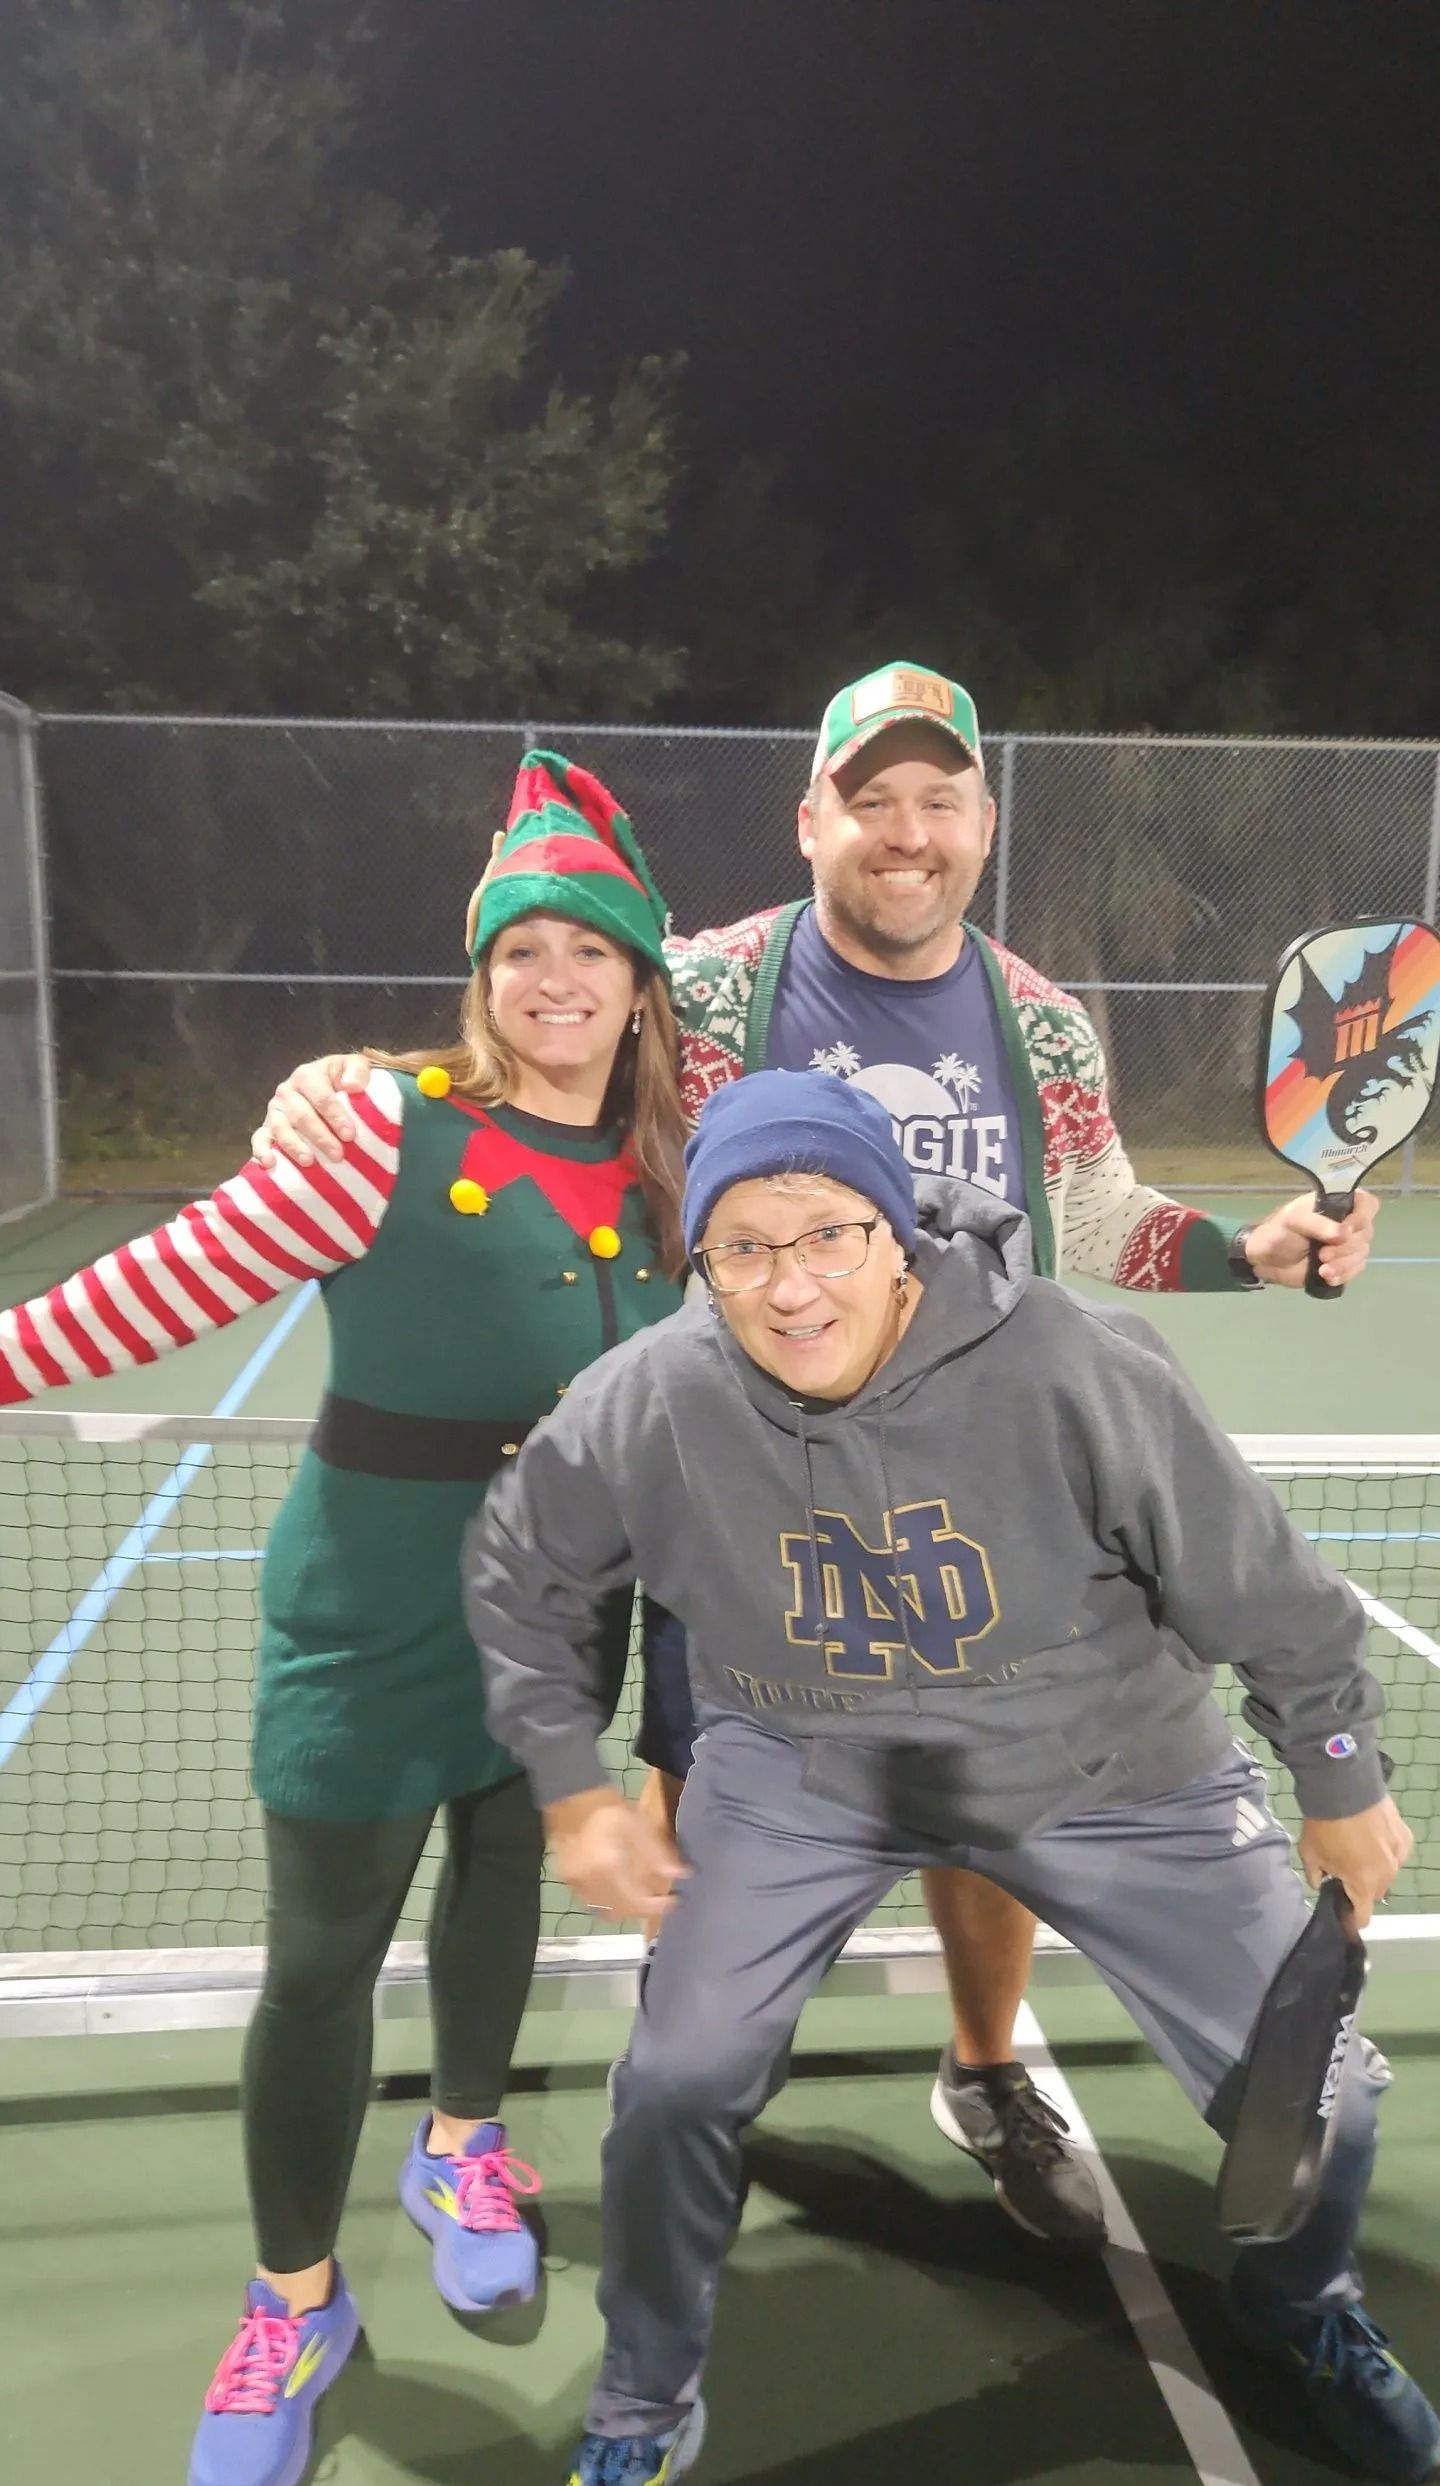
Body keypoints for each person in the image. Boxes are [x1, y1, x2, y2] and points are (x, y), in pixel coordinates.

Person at [249, 661, 1380, 2250]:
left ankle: (983, 2072)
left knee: (985, 1811)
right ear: (812, 820)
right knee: (706, 1794)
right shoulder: (704, 988)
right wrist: (362, 1088)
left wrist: (1242, 1257)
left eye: (938, 801)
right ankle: (700, 2090)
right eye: (872, 799)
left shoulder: (1039, 1021)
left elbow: (1104, 1218)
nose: (905, 833)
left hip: (985, 1507)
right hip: (738, 1498)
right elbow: (548, 1044)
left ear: (983, 822)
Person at [466, 1069, 1434, 2486]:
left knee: (1333, 2097)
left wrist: (1341, 1773)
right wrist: (571, 1782)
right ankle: (641, 2418)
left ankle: (1303, 2307)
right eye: (743, 1248)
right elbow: (522, 1583)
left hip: (1107, 1760)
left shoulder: (1072, 1362)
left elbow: (1263, 1583)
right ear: (699, 1262)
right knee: (671, 2088)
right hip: (800, 1768)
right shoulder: (651, 1397)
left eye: (828, 1235)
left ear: (898, 1238)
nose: (790, 1287)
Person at [0, 752, 689, 2486]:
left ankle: (465, 2148)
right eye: (521, 950)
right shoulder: (382, 1129)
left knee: (505, 1868)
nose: (555, 981)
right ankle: (292, 2303)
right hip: (370, 1605)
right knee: (317, 1963)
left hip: (563, 1602)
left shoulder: (674, 1151)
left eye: (588, 952)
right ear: (484, 973)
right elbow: (158, 1287)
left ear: (637, 978)